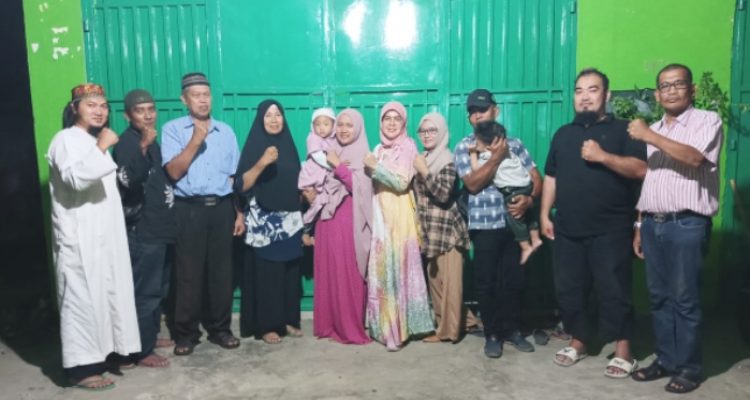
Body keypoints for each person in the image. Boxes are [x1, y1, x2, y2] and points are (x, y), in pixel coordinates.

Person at [539, 68, 646, 378]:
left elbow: (641, 170)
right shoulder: (563, 134)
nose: (585, 97)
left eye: (593, 89)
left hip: (611, 228)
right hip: (568, 227)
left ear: (606, 95)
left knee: (614, 288)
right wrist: (545, 214)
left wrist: (603, 157)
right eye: (579, 91)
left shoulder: (624, 131)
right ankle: (579, 340)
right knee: (571, 288)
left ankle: (624, 349)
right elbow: (551, 176)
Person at [629, 63, 723, 394]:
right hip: (653, 223)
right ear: (657, 94)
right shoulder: (654, 127)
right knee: (659, 298)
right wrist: (639, 224)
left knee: (684, 299)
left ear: (692, 89)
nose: (671, 90)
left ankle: (689, 368)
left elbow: (695, 158)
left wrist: (649, 136)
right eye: (665, 86)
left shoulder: (707, 120)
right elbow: (652, 180)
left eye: (678, 84)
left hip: (687, 223)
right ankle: (667, 360)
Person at [47, 83, 140, 390]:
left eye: (103, 106)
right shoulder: (64, 139)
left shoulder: (90, 139)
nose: (99, 111)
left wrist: (100, 146)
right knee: (81, 300)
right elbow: (74, 179)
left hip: (105, 235)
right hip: (80, 237)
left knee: (108, 294)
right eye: (91, 105)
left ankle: (107, 354)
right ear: (75, 108)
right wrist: (101, 147)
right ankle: (81, 369)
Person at [161, 72, 244, 356]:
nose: (202, 100)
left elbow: (234, 178)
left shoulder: (226, 132)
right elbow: (173, 172)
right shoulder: (173, 129)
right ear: (184, 100)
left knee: (222, 273)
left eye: (206, 95)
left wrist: (239, 213)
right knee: (189, 274)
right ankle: (186, 333)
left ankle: (221, 329)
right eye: (196, 95)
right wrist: (196, 141)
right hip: (189, 209)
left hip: (222, 208)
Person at [454, 88, 541, 358]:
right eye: (472, 112)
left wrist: (529, 200)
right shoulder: (465, 147)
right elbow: (473, 184)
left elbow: (536, 178)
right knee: (486, 282)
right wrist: (496, 158)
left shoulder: (515, 144)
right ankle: (492, 333)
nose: (478, 115)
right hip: (484, 226)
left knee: (514, 280)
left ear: (496, 110)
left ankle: (512, 330)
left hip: (516, 224)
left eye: (482, 109)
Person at [112, 89, 176, 368]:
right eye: (140, 111)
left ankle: (149, 335)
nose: (148, 115)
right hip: (143, 228)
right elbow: (130, 180)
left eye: (151, 109)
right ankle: (141, 349)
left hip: (160, 227)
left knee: (159, 287)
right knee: (145, 290)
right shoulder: (128, 143)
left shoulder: (150, 140)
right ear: (127, 116)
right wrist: (143, 147)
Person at [364, 101, 433, 350]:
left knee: (398, 269)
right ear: (380, 122)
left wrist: (375, 167)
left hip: (400, 216)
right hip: (380, 214)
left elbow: (402, 182)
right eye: (387, 118)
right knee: (383, 271)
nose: (391, 123)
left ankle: (400, 330)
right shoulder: (378, 148)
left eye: (397, 119)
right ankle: (383, 328)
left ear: (404, 123)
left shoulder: (408, 146)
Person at [234, 99, 304, 345]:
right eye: (268, 115)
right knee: (267, 274)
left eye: (278, 114)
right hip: (264, 220)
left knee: (289, 272)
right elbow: (241, 185)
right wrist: (262, 162)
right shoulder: (255, 146)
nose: (274, 119)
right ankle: (267, 325)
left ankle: (287, 319)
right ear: (260, 120)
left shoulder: (289, 145)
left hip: (289, 220)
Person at [412, 112, 477, 343]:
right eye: (423, 131)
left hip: (448, 231)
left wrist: (424, 171)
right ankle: (464, 321)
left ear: (441, 133)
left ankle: (449, 332)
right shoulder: (424, 157)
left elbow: (442, 194)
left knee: (450, 285)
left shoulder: (447, 159)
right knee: (436, 283)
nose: (427, 135)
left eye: (432, 130)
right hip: (431, 231)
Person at [311, 108, 372, 344]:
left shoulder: (364, 154)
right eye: (340, 125)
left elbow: (361, 188)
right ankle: (329, 324)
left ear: (358, 128)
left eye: (349, 125)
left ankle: (349, 327)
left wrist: (338, 165)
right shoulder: (328, 149)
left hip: (349, 220)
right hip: (327, 220)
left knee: (348, 273)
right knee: (329, 272)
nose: (343, 130)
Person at [468, 121, 542, 265]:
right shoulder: (510, 150)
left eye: (477, 142)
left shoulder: (487, 156)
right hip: (526, 185)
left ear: (489, 146)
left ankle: (525, 245)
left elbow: (476, 169)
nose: (475, 144)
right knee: (528, 213)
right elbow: (533, 174)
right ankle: (535, 238)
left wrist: (472, 153)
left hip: (512, 190)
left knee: (514, 215)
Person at [298, 107, 337, 246]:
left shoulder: (334, 140)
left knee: (320, 204)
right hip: (311, 178)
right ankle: (304, 229)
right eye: (317, 124)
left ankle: (310, 231)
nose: (321, 128)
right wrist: (336, 165)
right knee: (314, 204)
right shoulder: (312, 138)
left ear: (333, 125)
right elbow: (318, 156)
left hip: (322, 180)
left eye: (326, 124)